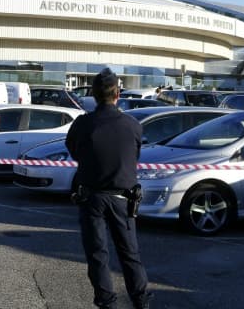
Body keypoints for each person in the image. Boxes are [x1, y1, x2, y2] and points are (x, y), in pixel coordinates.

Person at [65, 68, 151, 309]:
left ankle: (107, 304)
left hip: (91, 197)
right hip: (123, 199)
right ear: (118, 94)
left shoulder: (83, 124)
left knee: (98, 256)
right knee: (130, 255)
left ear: (93, 95)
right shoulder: (132, 125)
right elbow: (133, 157)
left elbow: (74, 151)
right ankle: (141, 303)